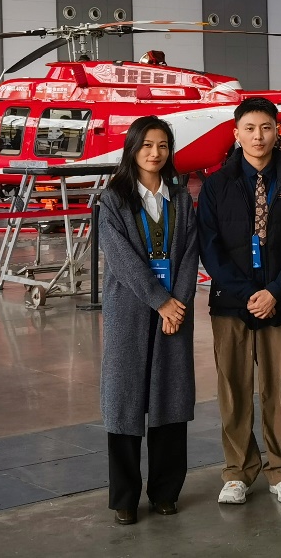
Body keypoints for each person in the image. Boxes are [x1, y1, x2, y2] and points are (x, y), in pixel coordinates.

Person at [198, 98, 281, 506]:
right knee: (233, 388)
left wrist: (275, 292)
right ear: (236, 134)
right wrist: (247, 293)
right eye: (249, 128)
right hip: (231, 304)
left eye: (266, 127)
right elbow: (210, 247)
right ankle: (237, 472)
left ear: (276, 132)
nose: (258, 136)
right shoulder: (216, 185)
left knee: (279, 387)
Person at [98, 116, 200, 525]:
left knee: (169, 399)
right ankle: (124, 497)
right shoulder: (114, 198)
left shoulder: (181, 197)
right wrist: (160, 301)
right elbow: (119, 256)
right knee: (124, 401)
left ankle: (165, 492)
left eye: (162, 145)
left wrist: (178, 304)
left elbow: (190, 253)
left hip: (175, 311)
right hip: (129, 310)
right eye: (146, 145)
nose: (155, 153)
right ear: (132, 149)